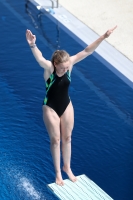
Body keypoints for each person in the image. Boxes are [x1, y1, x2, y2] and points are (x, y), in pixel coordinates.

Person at [26, 25, 117, 186]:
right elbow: (40, 58)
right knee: (55, 140)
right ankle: (58, 173)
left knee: (67, 138)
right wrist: (33, 44)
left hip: (66, 105)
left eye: (67, 67)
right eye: (63, 67)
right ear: (55, 63)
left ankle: (67, 167)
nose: (66, 69)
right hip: (50, 107)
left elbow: (87, 51)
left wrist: (103, 37)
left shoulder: (69, 64)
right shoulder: (49, 68)